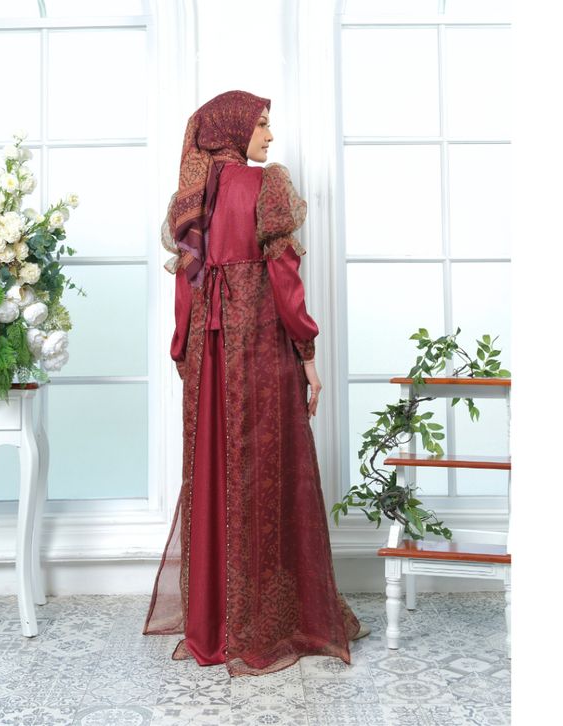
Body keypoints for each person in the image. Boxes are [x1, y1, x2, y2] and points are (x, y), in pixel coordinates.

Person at [143, 90, 369, 677]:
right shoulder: (266, 185)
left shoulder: (190, 200)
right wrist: (307, 352)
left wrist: (183, 349)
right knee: (267, 473)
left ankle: (215, 623)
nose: (269, 136)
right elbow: (285, 277)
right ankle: (267, 619)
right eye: (262, 124)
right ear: (232, 130)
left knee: (215, 475)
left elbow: (186, 287)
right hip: (260, 347)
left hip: (209, 353)